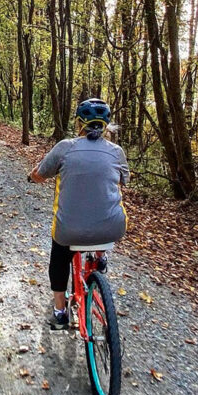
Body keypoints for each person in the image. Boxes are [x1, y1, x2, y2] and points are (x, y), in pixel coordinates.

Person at [28, 98, 129, 329]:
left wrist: (32, 176)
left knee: (59, 254)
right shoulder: (117, 152)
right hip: (113, 229)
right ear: (106, 126)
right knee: (106, 208)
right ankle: (100, 257)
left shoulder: (65, 147)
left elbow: (40, 174)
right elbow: (125, 180)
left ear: (79, 123)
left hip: (70, 231)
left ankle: (60, 312)